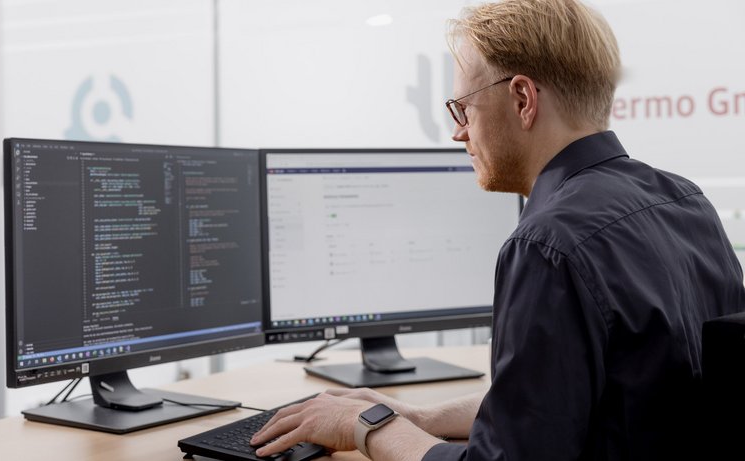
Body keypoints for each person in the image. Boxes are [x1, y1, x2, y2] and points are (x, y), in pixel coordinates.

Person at [251, 0, 745, 459]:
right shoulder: (685, 199)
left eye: (462, 108)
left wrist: (367, 426)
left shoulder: (548, 244)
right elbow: (568, 399)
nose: (458, 131)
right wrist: (419, 418)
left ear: (523, 98)